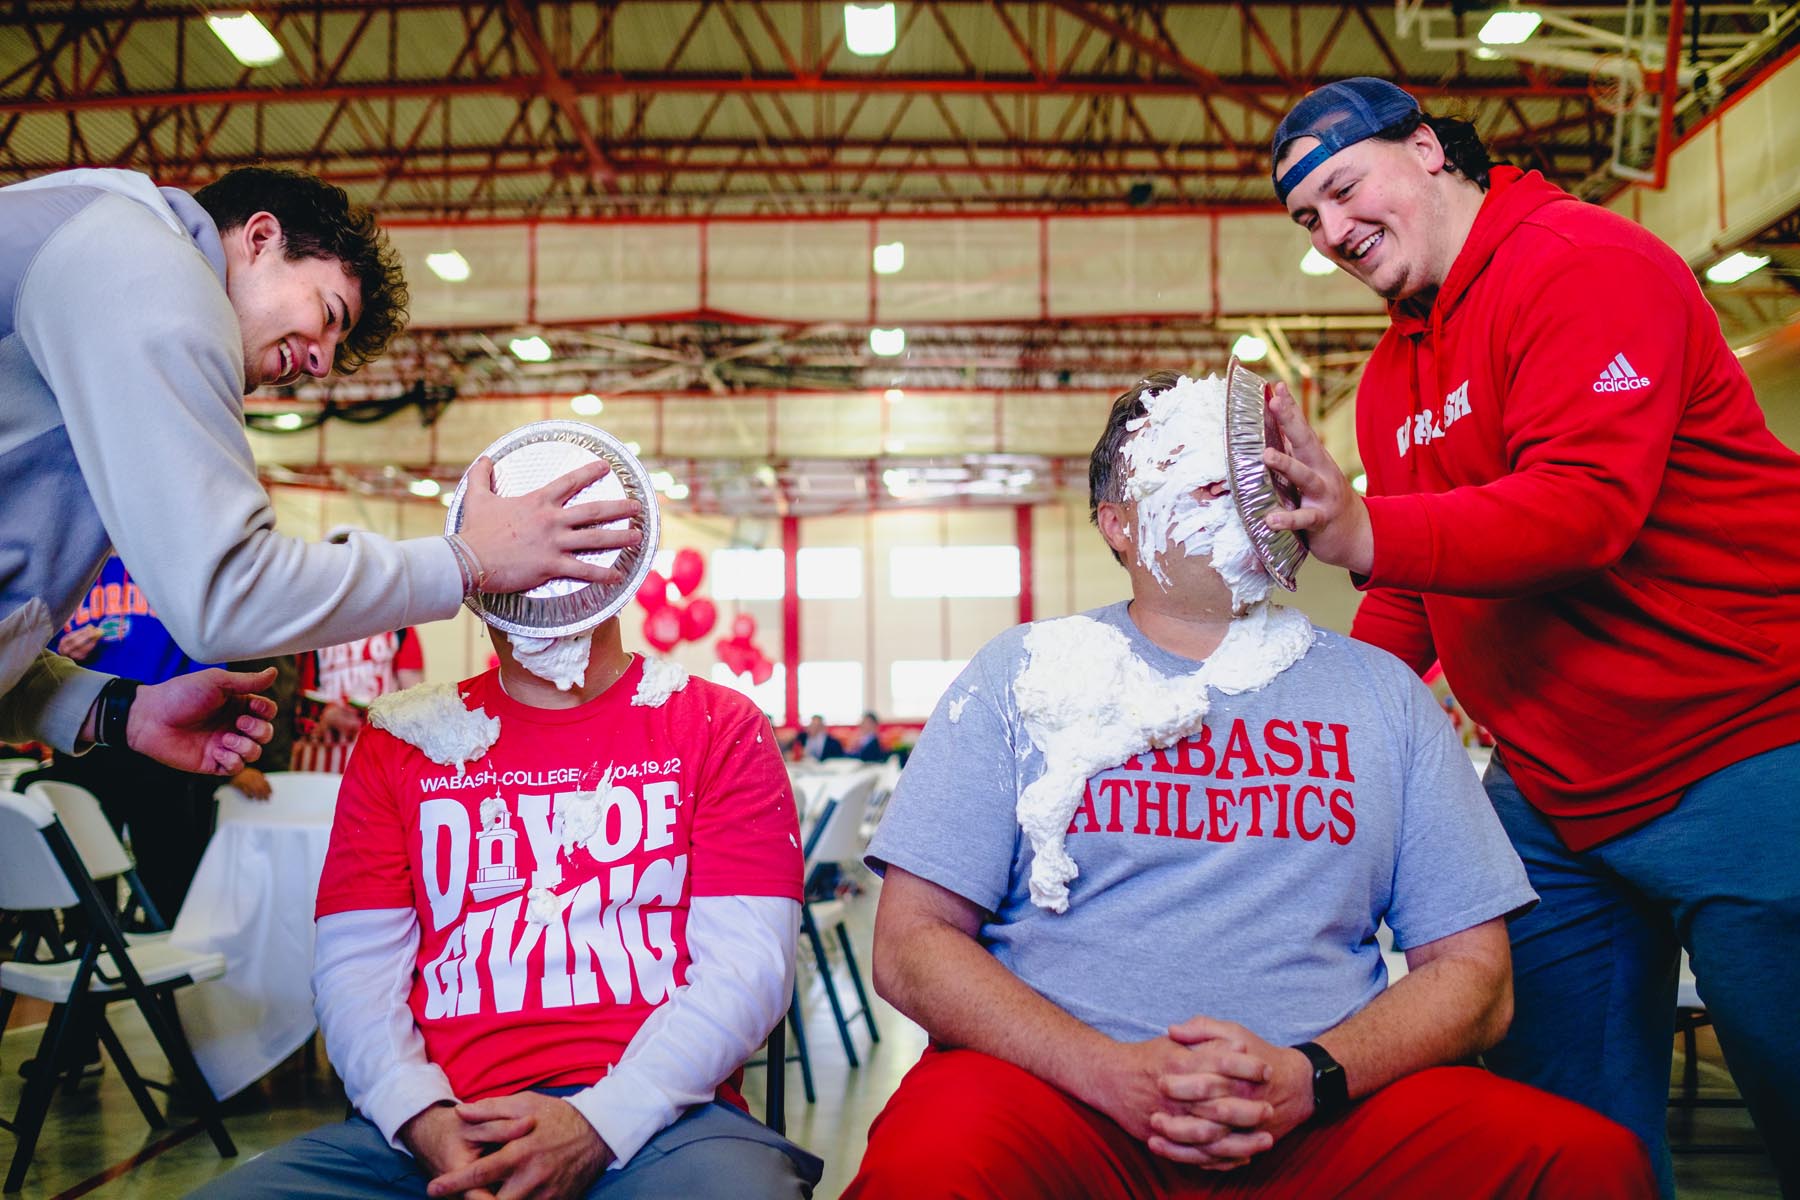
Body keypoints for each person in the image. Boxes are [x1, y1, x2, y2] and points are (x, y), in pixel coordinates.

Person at [845, 372, 1652, 1200]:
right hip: (1063, 1099)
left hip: (1326, 1113)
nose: (1241, 496)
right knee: (922, 1173)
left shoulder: (1386, 695)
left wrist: (1313, 1078)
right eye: (1201, 480)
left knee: (1586, 1165)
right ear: (1119, 527)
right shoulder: (1021, 675)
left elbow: (1476, 977)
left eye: (1254, 478)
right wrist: (1108, 1073)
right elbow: (912, 944)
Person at [1262, 77, 1800, 1196]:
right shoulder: (1392, 376)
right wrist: (1312, 720)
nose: (1333, 231)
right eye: (1307, 219)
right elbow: (1418, 592)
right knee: (1558, 1132)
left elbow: (1589, 505)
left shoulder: (1584, 264)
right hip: (1555, 795)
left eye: (1344, 188)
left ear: (1427, 151)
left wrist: (1365, 526)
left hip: (1745, 750)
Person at [1, 165, 642, 779]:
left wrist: (116, 710)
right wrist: (467, 561)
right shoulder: (145, 263)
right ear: (260, 237)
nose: (319, 363)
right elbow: (226, 595)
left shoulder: (98, 274)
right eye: (329, 314)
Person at [191, 596, 822, 1197]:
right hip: (436, 1125)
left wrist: (601, 1123)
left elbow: (749, 970)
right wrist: (419, 1114)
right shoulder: (402, 736)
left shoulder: (717, 725)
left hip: (665, 1120)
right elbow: (354, 969)